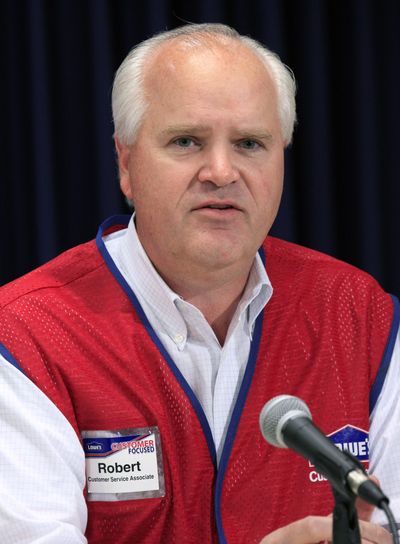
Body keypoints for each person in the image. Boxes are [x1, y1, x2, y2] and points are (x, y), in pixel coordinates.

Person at [0, 23, 399, 544]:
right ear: (126, 162)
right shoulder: (27, 333)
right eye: (186, 141)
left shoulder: (358, 312)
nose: (220, 171)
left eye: (250, 143)